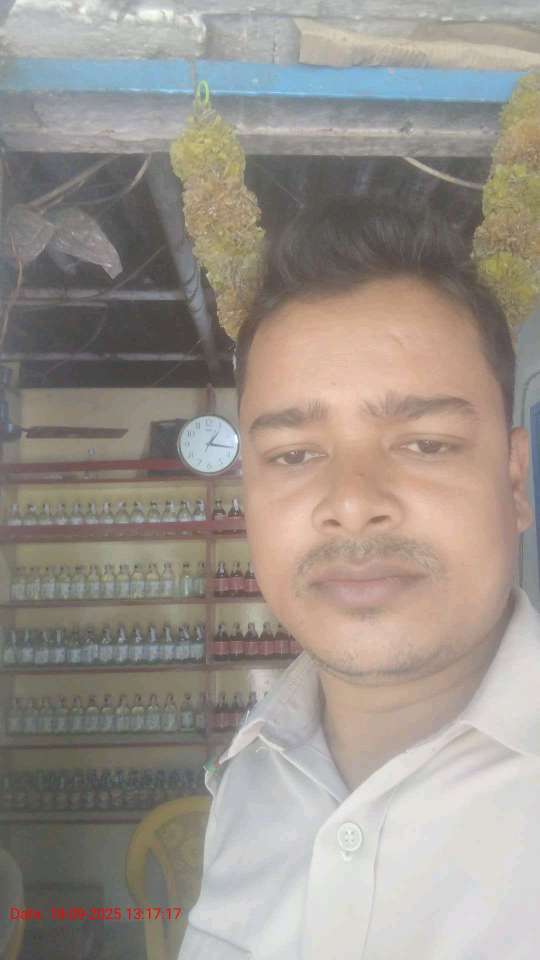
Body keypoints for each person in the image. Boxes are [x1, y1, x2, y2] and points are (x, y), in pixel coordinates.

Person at [179, 197, 539, 959]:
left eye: (425, 444)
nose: (350, 502)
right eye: (294, 455)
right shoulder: (248, 782)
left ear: (514, 479)